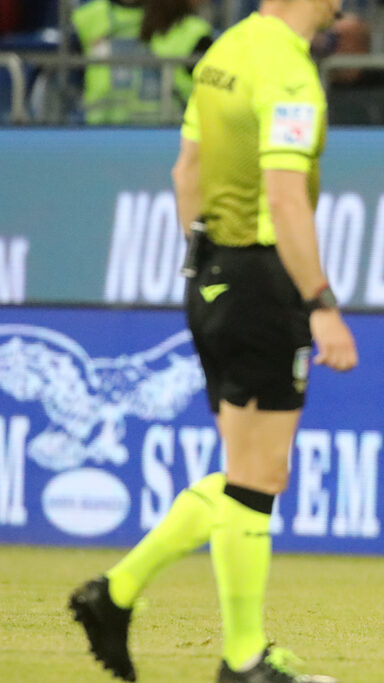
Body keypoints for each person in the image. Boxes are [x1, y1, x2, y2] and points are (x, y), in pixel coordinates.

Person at [68, 1, 356, 681]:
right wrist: (320, 303)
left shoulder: (225, 50)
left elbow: (184, 172)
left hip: (211, 272)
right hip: (262, 277)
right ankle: (243, 658)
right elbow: (285, 198)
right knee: (259, 478)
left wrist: (207, 266)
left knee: (247, 472)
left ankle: (115, 596)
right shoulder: (289, 73)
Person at [70, 0, 212, 125]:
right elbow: (67, 88)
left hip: (168, 137)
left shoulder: (192, 31)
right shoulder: (87, 18)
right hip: (95, 135)